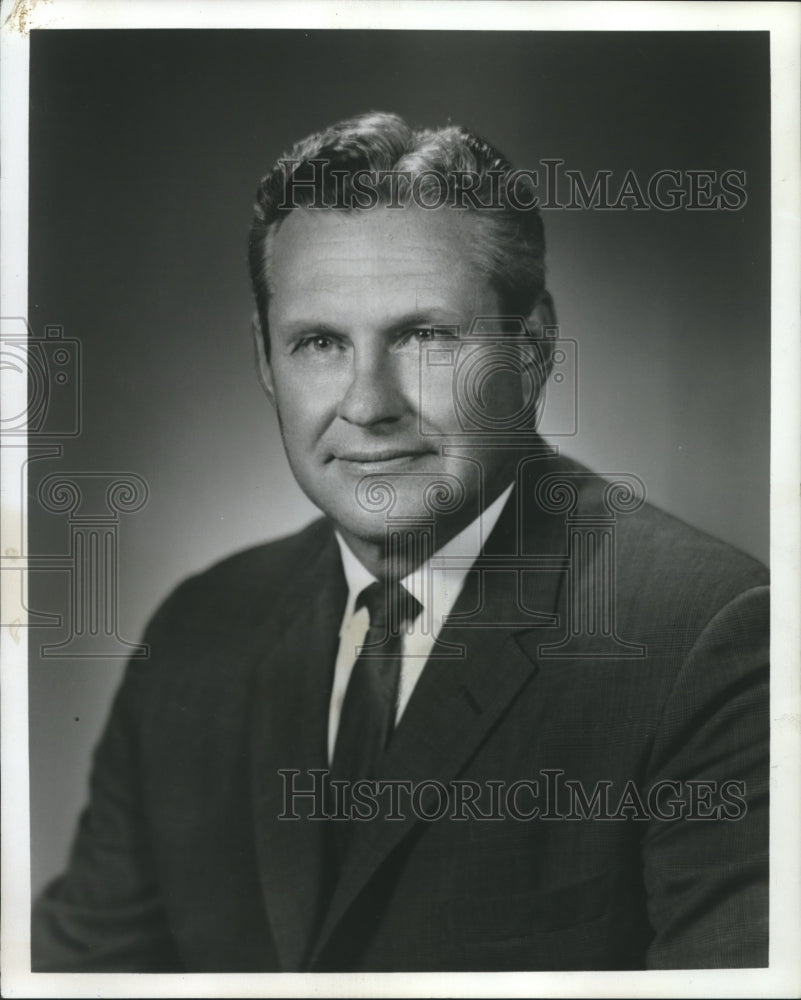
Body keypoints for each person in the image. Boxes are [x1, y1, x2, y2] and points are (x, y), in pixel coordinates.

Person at [32, 112, 769, 972]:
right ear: (267, 363)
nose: (368, 403)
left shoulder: (705, 638)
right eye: (319, 343)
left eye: (425, 336)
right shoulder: (198, 636)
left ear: (529, 350)